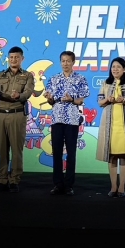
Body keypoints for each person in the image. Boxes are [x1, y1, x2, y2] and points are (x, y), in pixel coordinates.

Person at [0, 46, 34, 193]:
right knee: (1, 148)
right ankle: (2, 180)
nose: (13, 60)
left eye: (17, 57)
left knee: (16, 149)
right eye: (11, 57)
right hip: (0, 114)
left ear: (22, 59)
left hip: (17, 114)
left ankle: (14, 180)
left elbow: (28, 92)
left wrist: (19, 96)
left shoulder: (27, 76)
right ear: (8, 58)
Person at [44, 50, 90, 196]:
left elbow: (81, 100)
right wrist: (49, 98)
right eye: (63, 61)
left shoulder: (80, 79)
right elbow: (51, 101)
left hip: (72, 120)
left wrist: (72, 99)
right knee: (57, 152)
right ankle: (58, 184)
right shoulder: (54, 79)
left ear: (73, 62)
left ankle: (69, 185)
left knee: (71, 153)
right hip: (57, 119)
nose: (65, 63)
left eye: (68, 61)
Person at [96, 57, 125, 197]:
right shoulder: (106, 83)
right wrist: (107, 99)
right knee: (112, 156)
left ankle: (122, 187)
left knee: (124, 156)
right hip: (110, 125)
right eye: (113, 67)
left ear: (124, 69)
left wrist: (124, 100)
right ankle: (113, 186)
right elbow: (100, 102)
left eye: (118, 67)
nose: (115, 69)